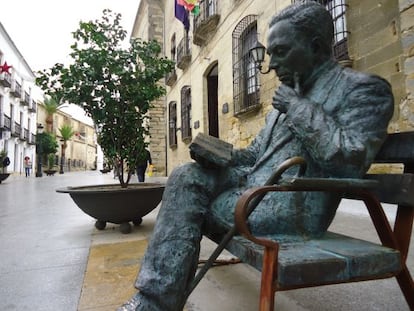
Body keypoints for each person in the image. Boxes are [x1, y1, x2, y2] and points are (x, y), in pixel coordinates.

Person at [119, 3, 394, 311]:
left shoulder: (364, 90)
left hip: (292, 204)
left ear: (315, 46)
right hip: (256, 187)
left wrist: (298, 109)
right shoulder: (288, 97)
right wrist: (220, 155)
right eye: (270, 52)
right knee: (186, 175)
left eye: (281, 51)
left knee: (189, 204)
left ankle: (156, 303)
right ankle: (155, 300)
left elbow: (351, 161)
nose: (272, 64)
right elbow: (255, 154)